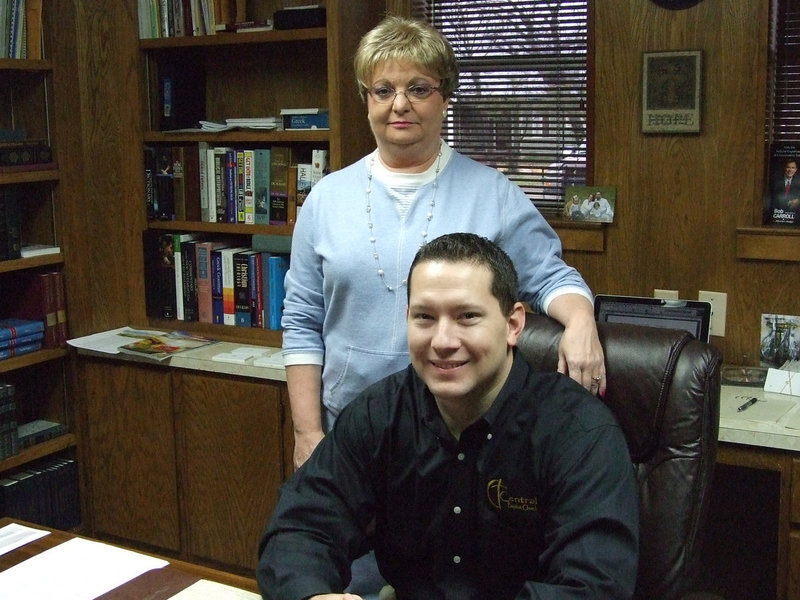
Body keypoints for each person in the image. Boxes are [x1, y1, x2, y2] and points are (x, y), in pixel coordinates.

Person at [283, 15, 606, 471]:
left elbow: (551, 277)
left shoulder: (493, 194)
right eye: (383, 90)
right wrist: (307, 433)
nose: (400, 104)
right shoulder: (325, 200)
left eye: (418, 88)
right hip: (349, 432)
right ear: (366, 101)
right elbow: (302, 322)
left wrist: (581, 323)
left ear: (445, 98)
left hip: (463, 437)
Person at [258, 233, 639, 600]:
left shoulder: (580, 432)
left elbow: (590, 587)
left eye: (467, 316)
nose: (442, 341)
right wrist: (310, 594)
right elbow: (302, 526)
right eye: (424, 317)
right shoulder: (380, 414)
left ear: (513, 324)